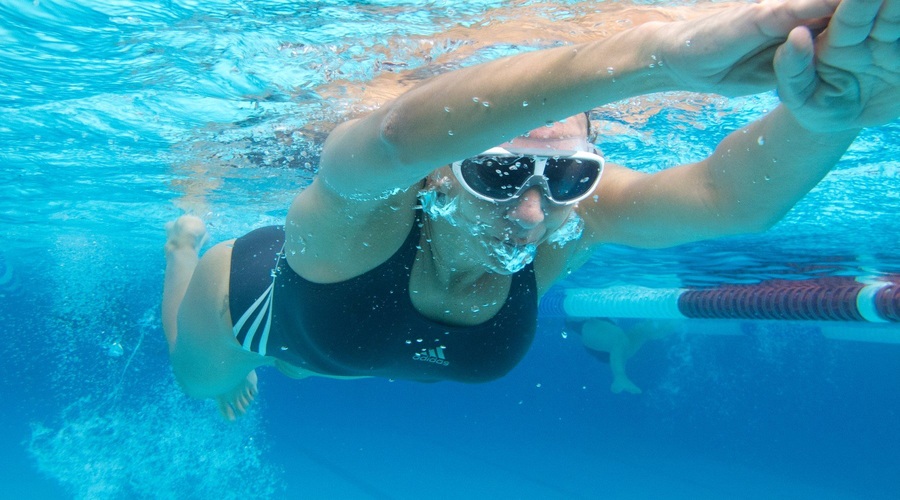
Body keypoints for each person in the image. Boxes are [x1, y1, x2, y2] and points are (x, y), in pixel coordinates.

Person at [163, 0, 899, 420]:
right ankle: (183, 242)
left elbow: (726, 198)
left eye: (570, 175)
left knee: (337, 363)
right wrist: (656, 58)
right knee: (204, 383)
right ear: (437, 177)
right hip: (254, 307)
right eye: (499, 171)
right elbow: (389, 138)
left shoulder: (571, 215)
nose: (531, 213)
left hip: (346, 343)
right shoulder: (361, 219)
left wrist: (832, 116)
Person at [566, 318, 679, 394]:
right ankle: (620, 377)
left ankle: (680, 319)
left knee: (643, 329)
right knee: (620, 339)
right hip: (587, 329)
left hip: (615, 348)